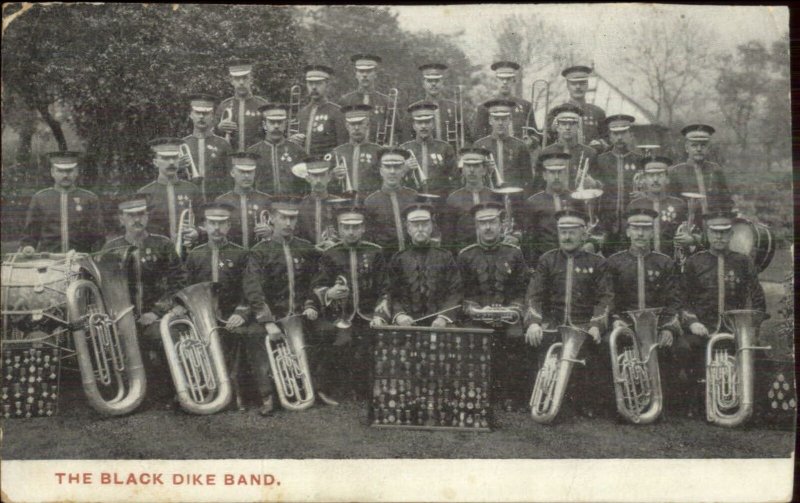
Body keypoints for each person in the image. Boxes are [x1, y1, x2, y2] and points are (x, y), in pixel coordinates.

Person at [242, 196, 331, 408]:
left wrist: (312, 304)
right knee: (254, 335)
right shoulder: (259, 252)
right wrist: (267, 320)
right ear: (272, 218)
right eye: (283, 218)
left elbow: (319, 280)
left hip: (302, 314)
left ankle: (318, 388)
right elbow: (253, 288)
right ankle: (267, 395)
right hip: (274, 316)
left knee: (327, 331)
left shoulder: (306, 248)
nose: (289, 223)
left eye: (293, 218)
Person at [524, 209, 613, 417]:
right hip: (552, 325)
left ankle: (584, 402)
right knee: (536, 348)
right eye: (563, 231)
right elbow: (533, 295)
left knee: (591, 362)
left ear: (584, 234)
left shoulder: (598, 263)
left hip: (583, 326)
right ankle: (545, 398)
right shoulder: (547, 260)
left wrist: (596, 325)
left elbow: (606, 298)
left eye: (572, 231)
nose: (567, 236)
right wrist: (534, 322)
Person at [677, 210, 766, 417]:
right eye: (714, 232)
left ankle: (750, 404)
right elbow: (682, 299)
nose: (719, 237)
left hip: (734, 330)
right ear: (707, 234)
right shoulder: (694, 262)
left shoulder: (743, 262)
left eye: (724, 232)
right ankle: (695, 399)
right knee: (684, 347)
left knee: (759, 356)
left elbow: (758, 299)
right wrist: (691, 322)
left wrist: (752, 329)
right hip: (702, 329)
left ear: (731, 234)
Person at [102, 198, 186, 408]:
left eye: (141, 214)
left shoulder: (163, 244)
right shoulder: (111, 248)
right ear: (121, 219)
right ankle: (131, 393)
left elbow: (178, 281)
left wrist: (157, 312)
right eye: (131, 215)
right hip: (121, 318)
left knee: (166, 336)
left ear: (147, 217)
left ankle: (173, 391)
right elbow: (102, 287)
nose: (136, 219)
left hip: (155, 316)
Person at [605, 208, 683, 413]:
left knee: (681, 348)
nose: (640, 234)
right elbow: (608, 297)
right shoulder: (614, 262)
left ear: (652, 232)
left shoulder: (664, 262)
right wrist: (615, 320)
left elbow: (674, 299)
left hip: (657, 328)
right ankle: (619, 403)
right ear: (628, 232)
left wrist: (668, 328)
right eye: (635, 229)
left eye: (645, 229)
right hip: (625, 326)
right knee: (607, 347)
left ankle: (670, 404)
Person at [457, 202, 530, 411]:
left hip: (508, 317)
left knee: (515, 338)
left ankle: (510, 394)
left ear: (501, 224)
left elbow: (521, 289)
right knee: (473, 337)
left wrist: (511, 310)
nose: (487, 227)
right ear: (476, 226)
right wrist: (477, 312)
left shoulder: (515, 253)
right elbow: (462, 293)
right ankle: (478, 392)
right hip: (477, 316)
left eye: (492, 222)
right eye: (482, 223)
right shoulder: (466, 255)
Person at [311, 204, 386, 401]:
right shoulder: (330, 254)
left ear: (363, 228)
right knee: (339, 342)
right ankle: (331, 389)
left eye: (355, 227)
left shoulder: (375, 252)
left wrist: (379, 315)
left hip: (369, 315)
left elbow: (385, 289)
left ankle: (365, 390)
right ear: (338, 228)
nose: (351, 232)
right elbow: (318, 285)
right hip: (340, 316)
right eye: (346, 227)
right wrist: (330, 293)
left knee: (369, 345)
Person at [183, 202, 252, 412]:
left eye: (221, 224)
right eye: (212, 223)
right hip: (202, 317)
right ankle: (200, 389)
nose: (216, 229)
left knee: (238, 336)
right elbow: (186, 289)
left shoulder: (241, 254)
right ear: (204, 225)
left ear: (229, 226)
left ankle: (237, 392)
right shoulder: (195, 254)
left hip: (231, 316)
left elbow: (250, 290)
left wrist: (241, 313)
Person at [372, 203, 462, 328]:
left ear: (431, 227)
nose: (420, 229)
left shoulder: (446, 257)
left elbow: (455, 291)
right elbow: (391, 292)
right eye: (415, 225)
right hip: (406, 325)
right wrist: (399, 315)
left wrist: (443, 317)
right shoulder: (398, 259)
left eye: (425, 224)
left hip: (441, 324)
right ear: (408, 229)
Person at [21, 151, 105, 254]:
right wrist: (28, 246)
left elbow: (98, 236)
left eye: (69, 171)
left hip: (80, 260)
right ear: (52, 172)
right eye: (60, 171)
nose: (65, 175)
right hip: (48, 261)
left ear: (77, 172)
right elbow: (30, 234)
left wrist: (93, 255)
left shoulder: (89, 199)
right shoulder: (40, 198)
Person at [136, 138, 201, 250]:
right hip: (156, 254)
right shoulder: (145, 192)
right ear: (155, 162)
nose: (171, 162)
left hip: (187, 252)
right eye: (165, 158)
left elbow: (204, 221)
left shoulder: (192, 189)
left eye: (174, 157)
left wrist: (197, 232)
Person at [594, 114, 643, 254]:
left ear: (631, 135)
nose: (619, 138)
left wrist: (644, 194)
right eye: (615, 134)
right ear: (610, 136)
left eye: (623, 133)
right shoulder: (600, 160)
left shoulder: (639, 160)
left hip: (633, 221)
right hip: (607, 221)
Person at [519, 152, 576, 267]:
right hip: (546, 262)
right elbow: (529, 240)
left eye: (560, 172)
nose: (556, 177)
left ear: (566, 174)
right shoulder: (533, 202)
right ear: (544, 175)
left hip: (574, 259)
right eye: (552, 172)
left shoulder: (576, 199)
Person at [627, 156, 689, 256]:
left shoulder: (679, 205)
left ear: (667, 179)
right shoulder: (635, 205)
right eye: (651, 175)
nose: (655, 180)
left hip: (671, 262)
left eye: (660, 175)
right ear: (644, 179)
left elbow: (688, 234)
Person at [444, 147, 502, 252]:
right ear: (462, 170)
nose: (471, 170)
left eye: (476, 166)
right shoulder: (453, 199)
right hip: (463, 253)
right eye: (467, 166)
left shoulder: (495, 196)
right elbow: (448, 237)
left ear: (484, 170)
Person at [667, 124, 734, 215]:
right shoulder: (675, 172)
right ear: (687, 148)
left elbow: (726, 202)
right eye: (694, 145)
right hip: (686, 225)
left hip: (714, 224)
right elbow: (671, 204)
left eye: (703, 145)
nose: (699, 149)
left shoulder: (715, 170)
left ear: (708, 148)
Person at [363, 147, 419, 256]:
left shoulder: (414, 197)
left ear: (403, 171)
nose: (392, 171)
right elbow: (368, 237)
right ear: (380, 171)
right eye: (387, 167)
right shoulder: (371, 201)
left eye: (397, 167)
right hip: (384, 259)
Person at [339, 54, 403, 144]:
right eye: (361, 71)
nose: (365, 75)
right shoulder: (346, 100)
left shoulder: (387, 102)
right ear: (356, 74)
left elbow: (398, 131)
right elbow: (341, 132)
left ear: (375, 74)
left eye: (369, 71)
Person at [215, 152, 273, 249]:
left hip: (261, 255)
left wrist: (271, 230)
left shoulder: (266, 199)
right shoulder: (221, 201)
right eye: (242, 171)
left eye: (250, 172)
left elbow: (280, 229)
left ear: (255, 173)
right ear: (232, 173)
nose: (246, 176)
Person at [400, 101, 457, 197]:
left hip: (440, 201)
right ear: (414, 126)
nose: (423, 126)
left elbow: (455, 180)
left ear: (433, 124)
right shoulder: (404, 149)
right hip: (412, 200)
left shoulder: (445, 148)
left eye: (427, 122)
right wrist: (404, 169)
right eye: (419, 122)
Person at [247, 103, 306, 196]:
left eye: (280, 122)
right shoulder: (252, 152)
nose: (276, 126)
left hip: (291, 205)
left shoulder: (297, 151)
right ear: (264, 125)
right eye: (271, 122)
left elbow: (305, 184)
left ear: (285, 124)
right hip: (263, 206)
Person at [181, 93, 232, 201]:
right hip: (189, 202)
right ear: (190, 114)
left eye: (206, 113)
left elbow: (229, 179)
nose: (201, 117)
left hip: (217, 203)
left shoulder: (223, 144)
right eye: (197, 112)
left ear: (213, 115)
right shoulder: (182, 144)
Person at [473, 61, 538, 146]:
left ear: (514, 80)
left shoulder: (526, 106)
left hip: (519, 152)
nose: (505, 82)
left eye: (508, 79)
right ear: (496, 80)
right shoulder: (484, 107)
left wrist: (531, 141)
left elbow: (535, 133)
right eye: (501, 79)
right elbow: (478, 136)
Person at [473, 99, 531, 192]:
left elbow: (527, 179)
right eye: (496, 119)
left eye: (504, 119)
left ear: (509, 120)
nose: (500, 123)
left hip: (514, 194)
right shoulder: (479, 145)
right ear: (490, 120)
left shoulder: (520, 146)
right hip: (488, 195)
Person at [535, 103, 598, 189]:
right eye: (563, 124)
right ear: (557, 127)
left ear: (578, 127)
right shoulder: (545, 153)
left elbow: (597, 186)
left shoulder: (590, 153)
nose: (568, 127)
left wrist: (593, 183)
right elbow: (538, 186)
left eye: (572, 124)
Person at [546, 65, 607, 149]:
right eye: (573, 83)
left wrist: (599, 143)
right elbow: (547, 139)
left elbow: (607, 138)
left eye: (582, 83)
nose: (578, 87)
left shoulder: (597, 112)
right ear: (567, 85)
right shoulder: (556, 112)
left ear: (587, 85)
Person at [411, 62, 471, 147]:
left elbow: (467, 138)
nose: (433, 84)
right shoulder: (415, 109)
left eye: (437, 80)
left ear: (442, 83)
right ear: (423, 84)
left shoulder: (454, 108)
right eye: (429, 81)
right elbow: (408, 141)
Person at [215, 59, 269, 152]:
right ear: (232, 81)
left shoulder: (262, 105)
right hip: (231, 159)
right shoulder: (224, 106)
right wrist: (219, 128)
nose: (241, 82)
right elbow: (212, 136)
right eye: (237, 79)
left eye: (245, 78)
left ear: (251, 80)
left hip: (257, 158)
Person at [295, 65, 347, 157]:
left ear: (327, 85)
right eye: (310, 83)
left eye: (318, 83)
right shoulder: (302, 113)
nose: (314, 87)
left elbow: (342, 147)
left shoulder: (337, 112)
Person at [330, 104, 383, 194]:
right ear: (347, 126)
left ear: (367, 124)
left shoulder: (379, 151)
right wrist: (332, 175)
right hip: (344, 202)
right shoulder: (337, 152)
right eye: (352, 124)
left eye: (360, 123)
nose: (356, 128)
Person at [296, 157, 343, 247]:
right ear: (308, 178)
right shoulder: (301, 206)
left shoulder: (339, 203)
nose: (318, 181)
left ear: (329, 177)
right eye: (314, 176)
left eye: (322, 176)